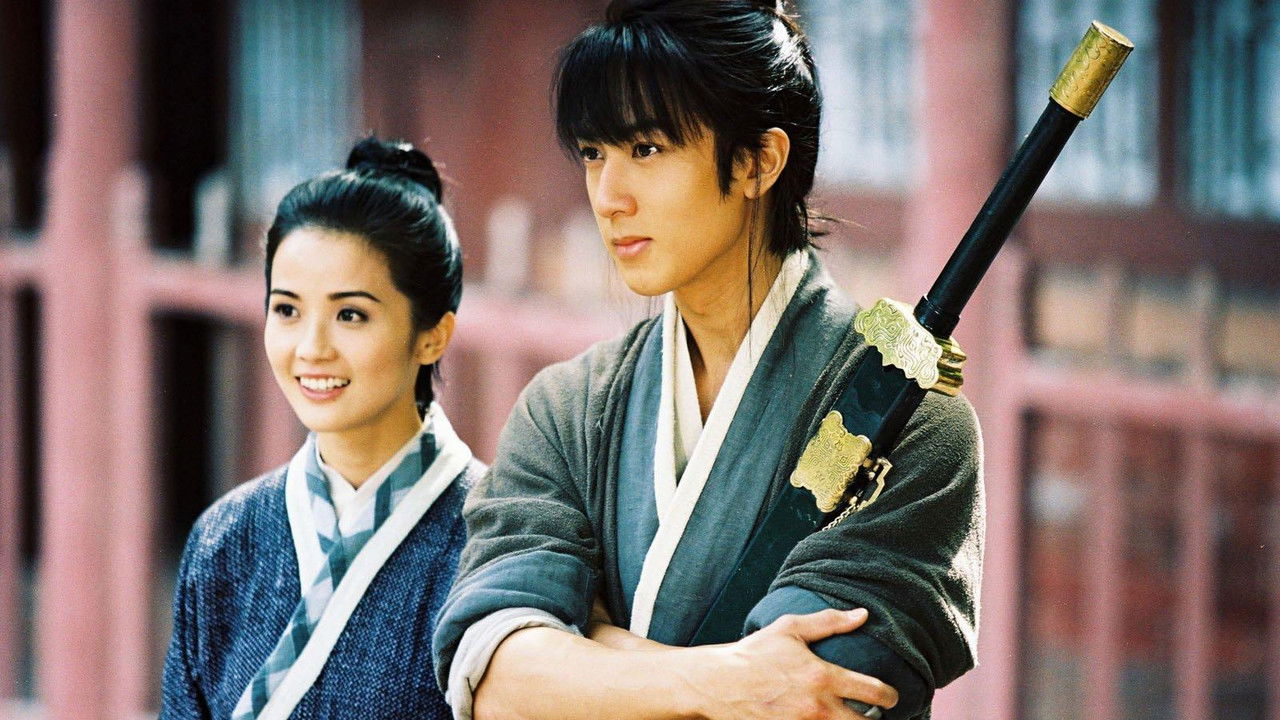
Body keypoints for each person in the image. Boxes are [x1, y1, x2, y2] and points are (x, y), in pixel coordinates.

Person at [433, 1, 984, 719]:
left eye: (646, 149)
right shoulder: (568, 409)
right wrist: (728, 681)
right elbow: (496, 680)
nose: (608, 197)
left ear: (758, 161)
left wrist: (586, 645)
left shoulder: (914, 422)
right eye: (595, 153)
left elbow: (812, 698)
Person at [160, 137, 480, 720]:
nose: (311, 348)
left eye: (350, 314)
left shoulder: (496, 538)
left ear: (433, 335)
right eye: (287, 310)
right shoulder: (224, 539)